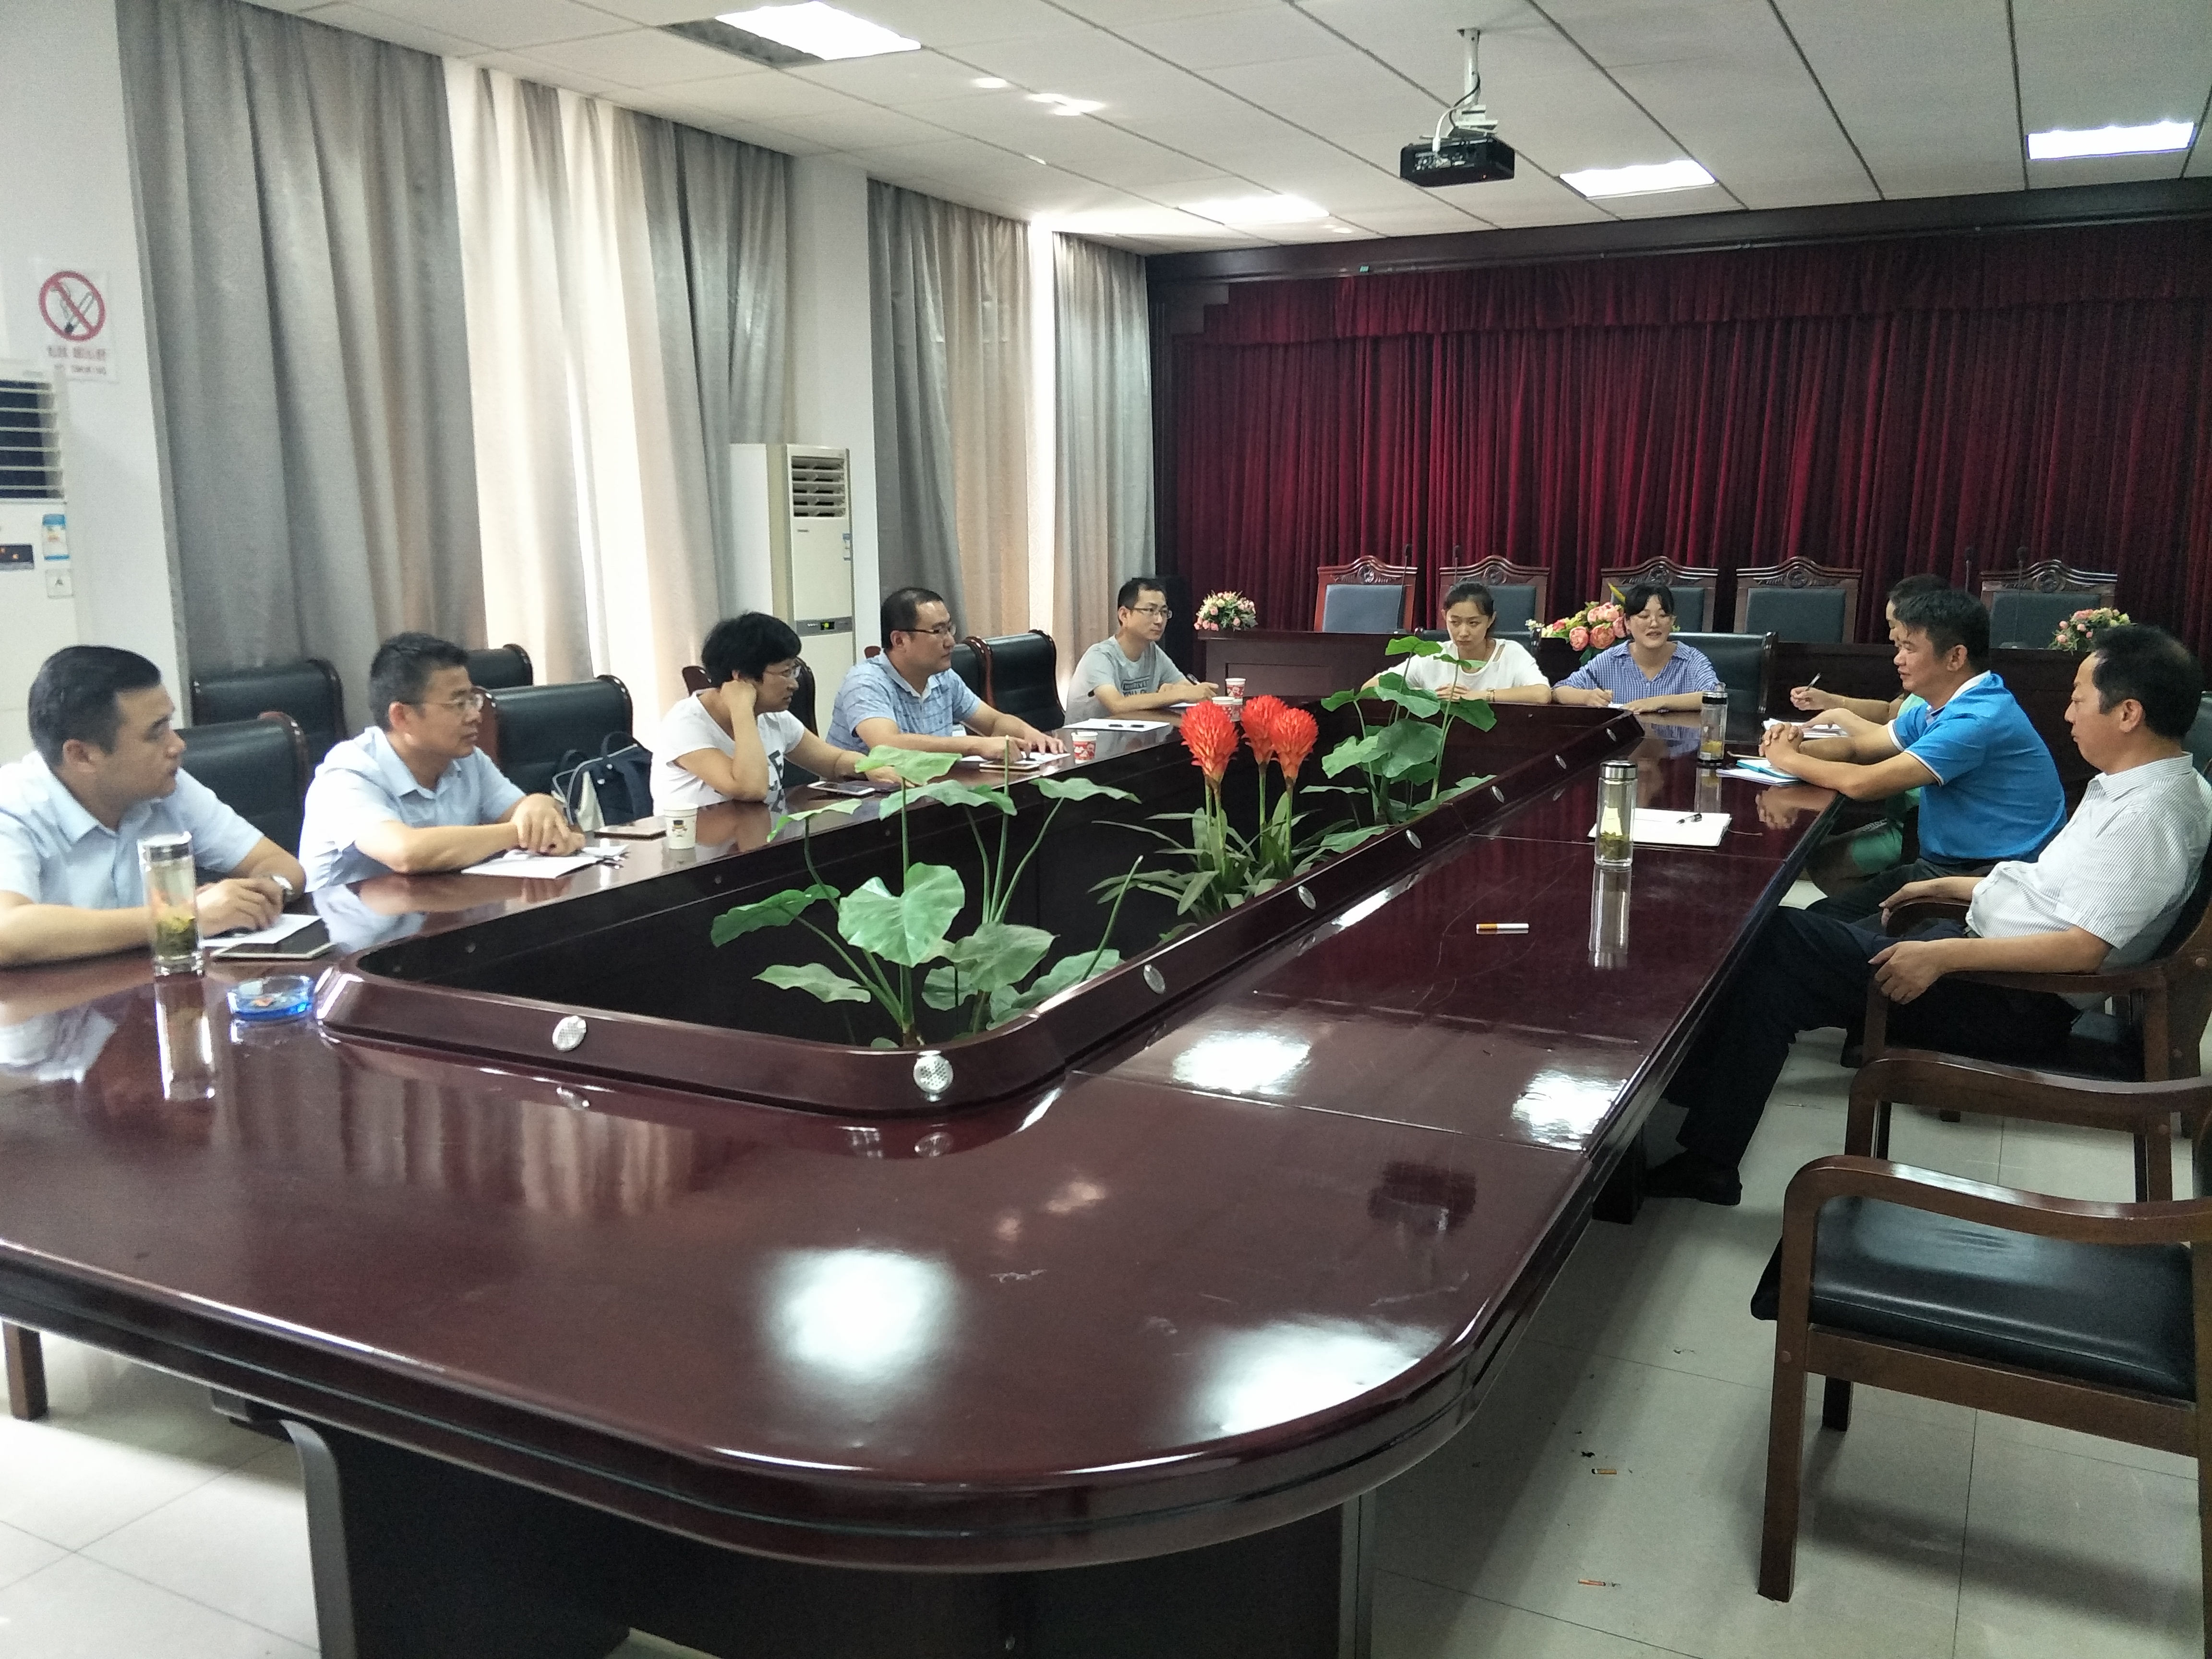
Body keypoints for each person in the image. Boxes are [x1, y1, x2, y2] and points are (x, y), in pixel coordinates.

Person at [1649, 625, 2212, 1206]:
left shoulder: (2149, 817)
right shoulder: (2144, 787)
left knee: (1779, 934)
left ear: (2128, 713)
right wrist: (1951, 887)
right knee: (1776, 967)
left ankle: (1688, 1117)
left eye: (2078, 699)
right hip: (1985, 960)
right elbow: (2051, 890)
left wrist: (1941, 955)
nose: (2068, 714)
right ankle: (1707, 1151)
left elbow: (2081, 949)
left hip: (2011, 998)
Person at [1760, 586, 2065, 921]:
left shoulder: (1976, 719)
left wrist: (1788, 759)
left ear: (1955, 658)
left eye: (1909, 648)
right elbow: (1860, 747)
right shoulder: (1942, 706)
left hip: (1987, 880)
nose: (1898, 659)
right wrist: (1795, 745)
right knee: (1817, 916)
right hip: (1944, 864)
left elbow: (1864, 784)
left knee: (1804, 929)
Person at [0, 646, 307, 967]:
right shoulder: (13, 807)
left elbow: (279, 863)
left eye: (169, 725)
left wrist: (268, 891)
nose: (178, 745)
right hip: (58, 997)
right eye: (155, 733)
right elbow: (7, 933)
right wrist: (179, 917)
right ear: (82, 756)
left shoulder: (167, 787)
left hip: (157, 987)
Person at [298, 632, 581, 892]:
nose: (475, 716)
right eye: (458, 704)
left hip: (439, 913)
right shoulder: (348, 774)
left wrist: (538, 804)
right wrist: (520, 831)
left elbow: (524, 812)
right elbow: (405, 853)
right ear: (402, 716)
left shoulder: (467, 760)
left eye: (473, 700)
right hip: (350, 927)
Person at [1788, 572, 1949, 893]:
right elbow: (1891, 716)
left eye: (1894, 625)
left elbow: (1871, 765)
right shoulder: (1927, 682)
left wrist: (1792, 755)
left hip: (1921, 827)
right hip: (1904, 817)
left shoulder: (1951, 697)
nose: (1891, 637)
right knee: (1820, 856)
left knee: (1824, 863)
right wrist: (1829, 705)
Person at [653, 614, 890, 814]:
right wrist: (742, 708)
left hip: (761, 840)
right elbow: (751, 789)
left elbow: (834, 762)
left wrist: (871, 767)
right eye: (785, 673)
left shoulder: (773, 716)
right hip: (699, 850)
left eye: (794, 671)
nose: (794, 684)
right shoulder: (686, 724)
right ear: (741, 678)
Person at [825, 589, 1066, 758]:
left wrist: (1031, 734)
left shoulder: (943, 678)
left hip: (927, 793)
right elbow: (887, 745)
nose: (951, 641)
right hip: (862, 805)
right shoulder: (865, 682)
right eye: (938, 631)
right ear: (899, 640)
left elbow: (994, 722)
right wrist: (975, 746)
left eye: (949, 628)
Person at [1363, 580, 1551, 705]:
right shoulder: (1435, 654)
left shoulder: (1511, 653)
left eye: (1473, 623)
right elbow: (1370, 687)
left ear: (1491, 620)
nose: (1463, 633)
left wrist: (1479, 696)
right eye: (1455, 622)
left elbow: (1542, 694)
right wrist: (1428, 695)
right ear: (1444, 616)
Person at [1066, 577, 1218, 722]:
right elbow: (1117, 705)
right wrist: (1178, 694)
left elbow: (1186, 688)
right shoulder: (1099, 657)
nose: (1159, 620)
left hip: (1131, 737)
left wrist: (1176, 690)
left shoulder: (1152, 651)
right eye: (1151, 611)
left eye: (1164, 612)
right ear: (1124, 615)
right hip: (1088, 739)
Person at [1551, 584, 1721, 713]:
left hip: (1677, 748)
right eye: (1644, 616)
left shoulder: (1690, 660)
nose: (1654, 623)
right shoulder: (1613, 659)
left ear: (1672, 621)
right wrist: (1587, 697)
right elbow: (1559, 691)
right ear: (1627, 623)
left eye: (1663, 616)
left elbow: (1716, 697)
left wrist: (1660, 702)